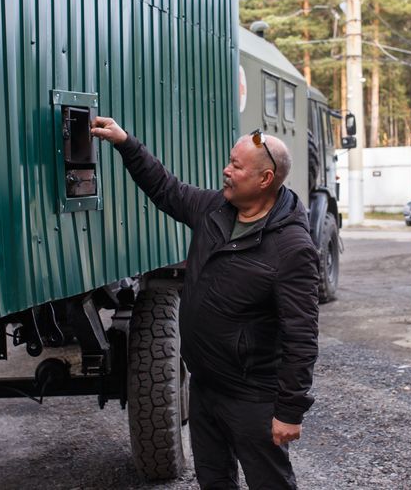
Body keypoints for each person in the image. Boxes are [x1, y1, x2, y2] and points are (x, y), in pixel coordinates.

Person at [90, 117, 319, 489]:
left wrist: (290, 411)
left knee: (270, 482)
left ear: (264, 180)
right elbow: (165, 188)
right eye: (230, 161)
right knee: (213, 480)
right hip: (206, 386)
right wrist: (125, 143)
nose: (226, 171)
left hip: (252, 396)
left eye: (236, 166)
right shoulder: (214, 209)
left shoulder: (292, 248)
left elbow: (302, 337)